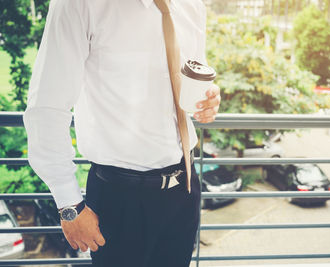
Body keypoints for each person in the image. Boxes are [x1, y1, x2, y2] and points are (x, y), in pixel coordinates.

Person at [23, 0, 220, 266]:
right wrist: (68, 204)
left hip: (184, 188)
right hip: (118, 200)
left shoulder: (192, 5)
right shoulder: (79, 4)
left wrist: (208, 100)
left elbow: (191, 75)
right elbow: (46, 107)